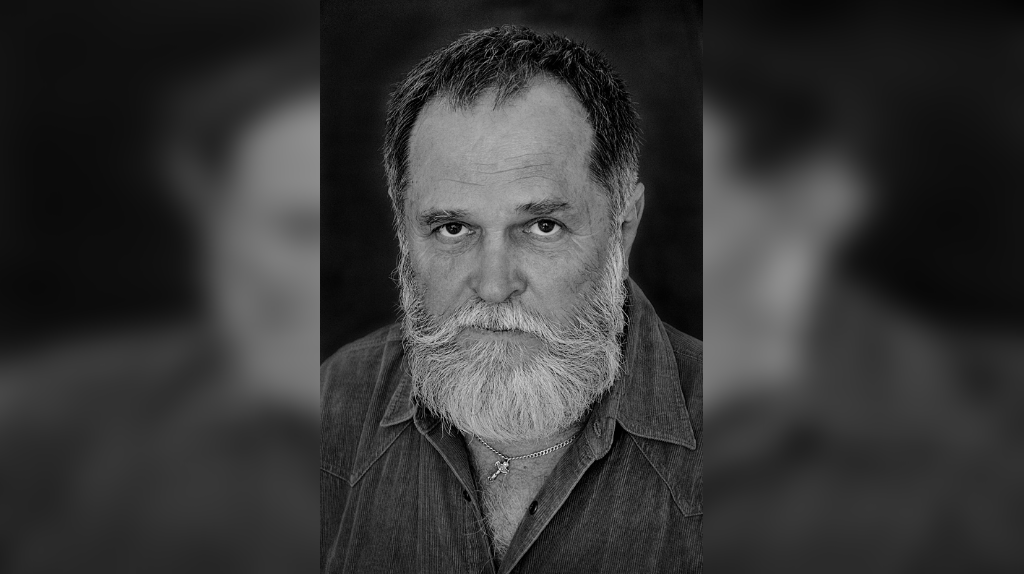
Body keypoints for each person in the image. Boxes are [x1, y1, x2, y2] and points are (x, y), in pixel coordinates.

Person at [320, 25, 702, 573]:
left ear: (623, 227)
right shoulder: (333, 403)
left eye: (543, 226)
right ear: (404, 232)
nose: (495, 286)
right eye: (453, 228)